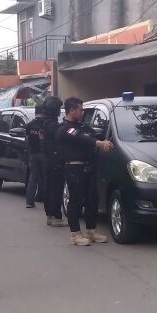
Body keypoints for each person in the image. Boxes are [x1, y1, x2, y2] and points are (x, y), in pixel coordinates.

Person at [57, 97, 114, 246]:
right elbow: (81, 138)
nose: (82, 112)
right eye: (80, 109)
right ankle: (75, 234)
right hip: (73, 168)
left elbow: (92, 135)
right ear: (72, 110)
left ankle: (91, 230)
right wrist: (98, 143)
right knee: (76, 200)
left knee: (92, 199)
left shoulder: (82, 126)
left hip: (88, 167)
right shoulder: (64, 128)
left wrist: (104, 141)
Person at [41, 96, 66, 227]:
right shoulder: (53, 126)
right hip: (55, 161)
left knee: (49, 187)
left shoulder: (45, 124)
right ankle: (56, 216)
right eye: (58, 109)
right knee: (56, 188)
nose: (59, 111)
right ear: (54, 110)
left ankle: (50, 215)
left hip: (48, 159)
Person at [24, 104, 46, 209]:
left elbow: (27, 140)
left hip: (33, 154)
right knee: (46, 177)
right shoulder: (45, 125)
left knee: (33, 178)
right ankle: (48, 201)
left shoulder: (29, 125)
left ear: (35, 112)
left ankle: (29, 202)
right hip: (44, 154)